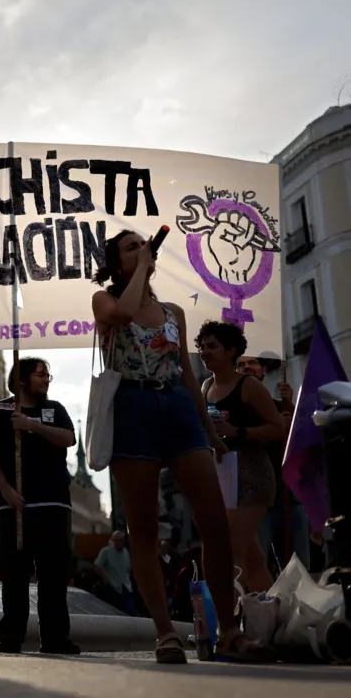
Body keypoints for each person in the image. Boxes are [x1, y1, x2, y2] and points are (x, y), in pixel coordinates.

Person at [90, 229, 274, 663]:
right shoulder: (104, 300)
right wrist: (142, 270)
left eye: (144, 244)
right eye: (130, 247)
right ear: (116, 263)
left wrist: (209, 433)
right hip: (133, 406)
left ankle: (228, 630)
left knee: (214, 522)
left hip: (176, 406)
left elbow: (188, 376)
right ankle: (164, 633)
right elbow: (122, 314)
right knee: (145, 529)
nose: (142, 249)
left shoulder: (173, 312)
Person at [0, 356, 80, 655]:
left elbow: (67, 438)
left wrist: (31, 425)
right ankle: (11, 636)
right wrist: (5, 489)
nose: (47, 379)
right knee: (14, 574)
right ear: (21, 380)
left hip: (53, 504)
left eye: (48, 374)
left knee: (54, 575)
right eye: (41, 374)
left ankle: (56, 637)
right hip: (13, 505)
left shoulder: (54, 410)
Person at [197, 321, 285, 593]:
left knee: (229, 552)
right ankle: (270, 616)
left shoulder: (248, 386)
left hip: (252, 474)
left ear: (231, 350)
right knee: (252, 559)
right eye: (201, 346)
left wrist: (239, 431)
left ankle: (228, 624)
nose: (204, 351)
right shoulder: (205, 387)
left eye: (212, 346)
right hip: (223, 474)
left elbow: (278, 428)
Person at [236, 353, 311, 574]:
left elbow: (303, 438)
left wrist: (289, 402)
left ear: (263, 370)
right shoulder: (229, 411)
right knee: (259, 568)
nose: (248, 368)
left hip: (288, 498)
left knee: (300, 572)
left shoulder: (279, 406)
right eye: (241, 364)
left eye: (253, 363)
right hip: (254, 502)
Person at [92, 532, 135, 615]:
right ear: (113, 541)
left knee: (129, 611)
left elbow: (128, 569)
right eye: (116, 540)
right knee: (114, 611)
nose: (119, 542)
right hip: (112, 587)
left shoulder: (125, 553)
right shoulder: (106, 551)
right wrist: (105, 579)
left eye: (121, 540)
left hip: (126, 586)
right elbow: (97, 566)